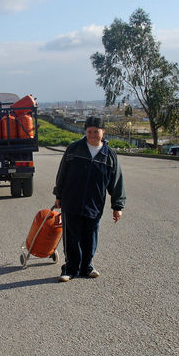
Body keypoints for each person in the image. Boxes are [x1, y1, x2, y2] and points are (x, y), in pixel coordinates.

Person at [53, 116, 126, 282]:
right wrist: (58, 195)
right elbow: (62, 173)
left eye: (96, 131)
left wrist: (117, 206)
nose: (93, 135)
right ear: (85, 132)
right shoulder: (74, 149)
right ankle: (70, 269)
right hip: (71, 200)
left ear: (103, 132)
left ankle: (87, 267)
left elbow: (116, 182)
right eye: (89, 131)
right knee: (72, 236)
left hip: (95, 203)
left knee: (90, 235)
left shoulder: (109, 156)